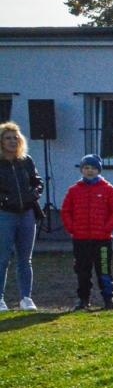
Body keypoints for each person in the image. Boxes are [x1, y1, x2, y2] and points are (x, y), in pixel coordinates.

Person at [61, 154, 113, 311]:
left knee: (103, 269)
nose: (90, 171)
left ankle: (109, 298)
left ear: (99, 170)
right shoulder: (74, 191)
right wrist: (72, 228)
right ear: (81, 169)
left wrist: (106, 228)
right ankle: (83, 299)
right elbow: (66, 211)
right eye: (86, 168)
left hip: (102, 240)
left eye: (94, 168)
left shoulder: (108, 189)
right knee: (82, 270)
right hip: (80, 239)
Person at [0, 122, 43, 312]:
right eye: (8, 138)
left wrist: (33, 194)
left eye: (15, 138)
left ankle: (26, 297)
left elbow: (37, 182)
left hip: (26, 213)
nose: (12, 141)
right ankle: (0, 298)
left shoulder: (26, 161)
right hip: (5, 214)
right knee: (2, 258)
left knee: (25, 259)